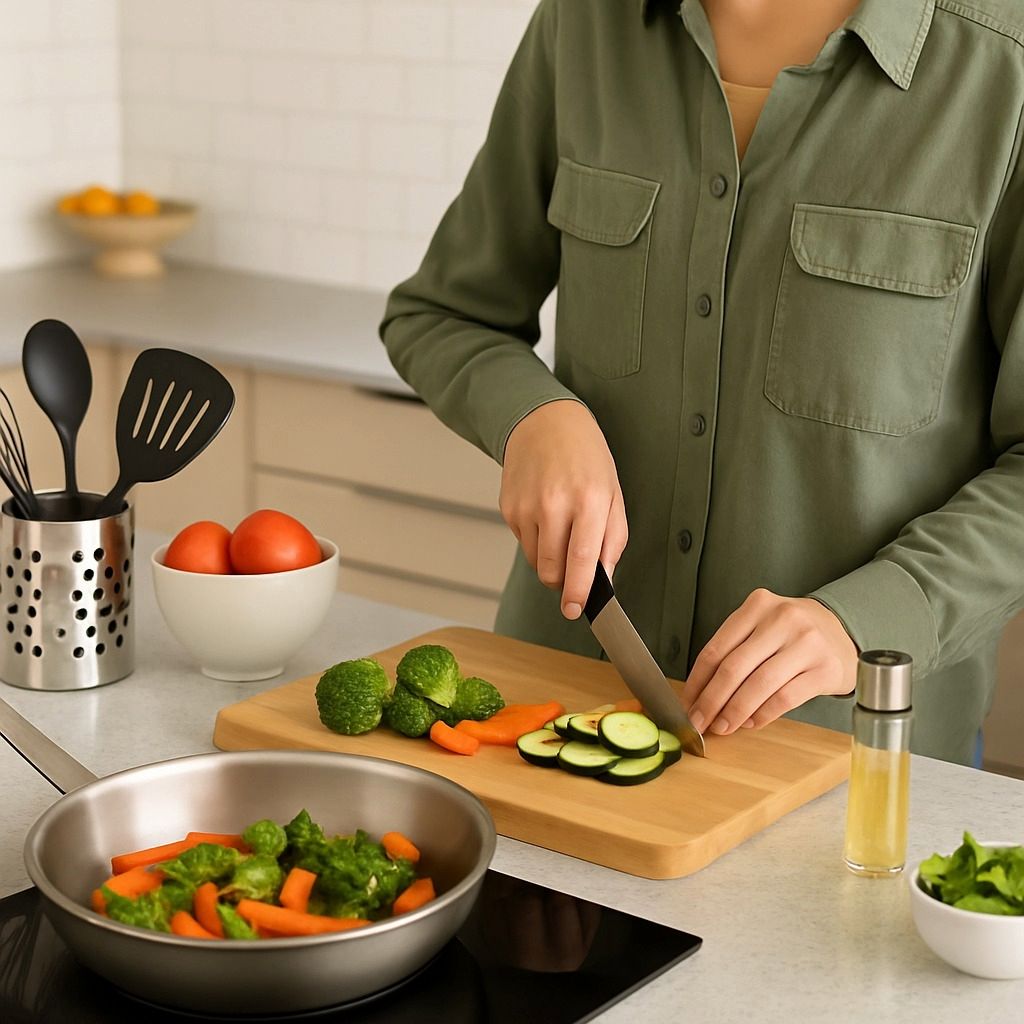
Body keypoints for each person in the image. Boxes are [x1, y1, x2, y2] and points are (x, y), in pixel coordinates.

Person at [380, 0, 1024, 767]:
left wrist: (867, 621)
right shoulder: (582, 24)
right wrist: (532, 415)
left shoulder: (1003, 66)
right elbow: (443, 312)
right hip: (554, 726)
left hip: (853, 769)